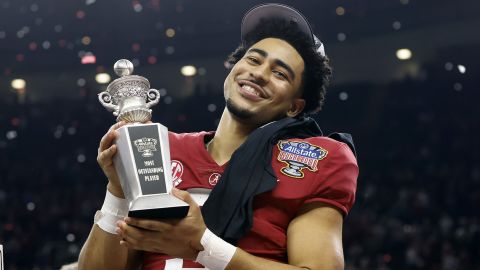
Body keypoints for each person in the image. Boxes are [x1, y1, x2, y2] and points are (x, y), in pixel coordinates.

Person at [78, 3, 358, 270]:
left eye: (280, 73)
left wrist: (203, 246)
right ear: (233, 70)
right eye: (254, 59)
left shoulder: (316, 158)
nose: (259, 74)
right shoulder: (162, 149)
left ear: (294, 107)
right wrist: (118, 189)